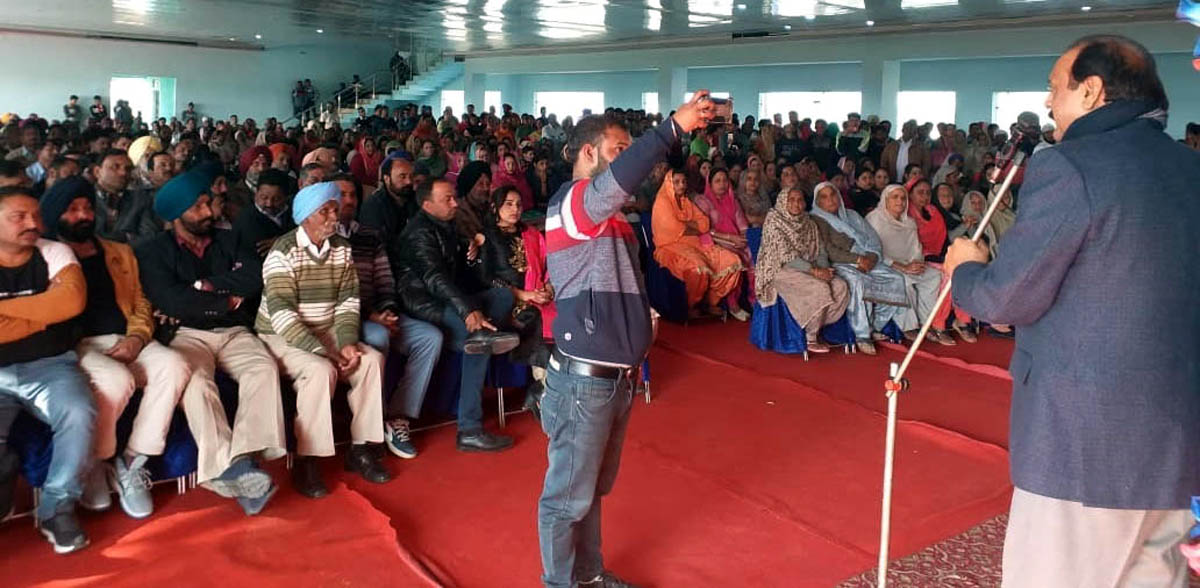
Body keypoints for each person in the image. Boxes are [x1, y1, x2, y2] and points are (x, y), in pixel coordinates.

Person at [944, 35, 1200, 588]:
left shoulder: (1069, 168)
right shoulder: (1190, 168)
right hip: (1176, 446)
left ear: (1091, 91)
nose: (1048, 104)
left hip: (1083, 449)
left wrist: (965, 268)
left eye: (1054, 89)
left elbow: (1004, 298)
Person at [538, 92, 713, 588]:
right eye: (618, 149)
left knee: (590, 489)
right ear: (588, 153)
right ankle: (558, 583)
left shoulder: (611, 220)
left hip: (616, 377)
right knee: (566, 496)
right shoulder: (572, 204)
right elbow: (619, 181)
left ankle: (589, 575)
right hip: (583, 381)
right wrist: (668, 131)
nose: (626, 161)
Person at [136, 170, 286, 516]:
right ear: (176, 216)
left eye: (208, 203)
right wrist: (224, 297)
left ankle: (243, 459)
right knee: (196, 382)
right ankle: (232, 469)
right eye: (199, 207)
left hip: (233, 330)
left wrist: (202, 287)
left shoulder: (229, 238)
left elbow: (252, 278)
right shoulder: (152, 252)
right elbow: (172, 301)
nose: (209, 212)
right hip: (187, 334)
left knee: (263, 368)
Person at [40, 176, 191, 519]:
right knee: (116, 380)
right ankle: (95, 461)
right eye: (73, 210)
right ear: (55, 215)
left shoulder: (118, 251)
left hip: (126, 336)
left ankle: (132, 460)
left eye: (87, 208)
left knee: (175, 365)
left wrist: (137, 337)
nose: (83, 216)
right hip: (77, 345)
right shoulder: (47, 256)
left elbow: (140, 301)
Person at [255, 182, 391, 498]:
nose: (334, 215)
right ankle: (308, 459)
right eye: (325, 211)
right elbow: (283, 315)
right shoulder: (282, 252)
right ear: (305, 218)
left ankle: (361, 448)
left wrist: (345, 342)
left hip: (327, 328)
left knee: (371, 360)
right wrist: (324, 353)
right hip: (281, 335)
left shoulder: (341, 247)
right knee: (320, 370)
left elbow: (348, 301)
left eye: (334, 208)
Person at [0, 185, 95, 553]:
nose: (32, 223)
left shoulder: (54, 251)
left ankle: (58, 505)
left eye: (36, 215)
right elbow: (54, 308)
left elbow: (70, 302)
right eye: (18, 217)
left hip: (51, 364)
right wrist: (44, 312)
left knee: (78, 410)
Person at [395, 179, 519, 452]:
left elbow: (459, 276)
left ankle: (488, 334)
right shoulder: (418, 234)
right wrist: (468, 311)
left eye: (454, 198)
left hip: (450, 298)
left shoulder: (447, 226)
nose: (455, 203)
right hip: (425, 304)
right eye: (448, 199)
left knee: (503, 296)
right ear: (427, 205)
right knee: (478, 338)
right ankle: (470, 429)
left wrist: (470, 257)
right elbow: (435, 278)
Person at [331, 174, 440, 459]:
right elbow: (336, 294)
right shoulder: (325, 239)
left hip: (379, 313)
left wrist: (388, 312)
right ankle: (372, 423)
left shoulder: (368, 234)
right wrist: (372, 315)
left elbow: (384, 280)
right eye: (342, 195)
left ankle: (398, 415)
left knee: (430, 337)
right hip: (345, 319)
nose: (349, 201)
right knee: (377, 336)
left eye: (353, 195)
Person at [809, 181, 915, 355]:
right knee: (858, 282)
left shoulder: (851, 215)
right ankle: (862, 335)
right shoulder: (816, 219)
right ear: (818, 201)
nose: (830, 200)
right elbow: (827, 249)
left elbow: (872, 238)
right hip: (840, 263)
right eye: (824, 197)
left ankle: (875, 324)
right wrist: (857, 259)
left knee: (897, 278)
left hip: (866, 258)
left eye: (833, 194)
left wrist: (871, 258)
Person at [755, 187, 850, 354]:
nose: (796, 204)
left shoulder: (808, 221)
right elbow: (787, 256)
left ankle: (817, 323)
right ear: (783, 201)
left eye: (800, 200)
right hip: (779, 269)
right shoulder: (774, 220)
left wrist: (822, 268)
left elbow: (820, 249)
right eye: (791, 200)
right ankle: (810, 337)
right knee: (819, 288)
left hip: (810, 266)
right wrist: (814, 271)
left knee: (840, 285)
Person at [866, 184, 961, 346]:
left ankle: (927, 322)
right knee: (904, 281)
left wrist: (916, 263)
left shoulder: (909, 222)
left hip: (909, 264)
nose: (900, 201)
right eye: (894, 197)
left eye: (903, 198)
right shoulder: (874, 219)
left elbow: (916, 248)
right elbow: (872, 251)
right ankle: (909, 327)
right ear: (885, 200)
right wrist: (902, 267)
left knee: (934, 276)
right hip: (884, 265)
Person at [651, 169, 743, 319]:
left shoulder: (686, 202)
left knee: (731, 261)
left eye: (684, 182)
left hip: (697, 245)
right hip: (670, 247)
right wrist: (692, 226)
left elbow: (705, 224)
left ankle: (709, 302)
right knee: (699, 268)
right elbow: (675, 228)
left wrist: (687, 226)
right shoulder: (662, 203)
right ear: (668, 184)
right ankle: (692, 305)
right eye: (676, 182)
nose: (681, 185)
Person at [693, 168, 751, 320]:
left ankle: (755, 301)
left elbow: (743, 226)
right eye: (717, 181)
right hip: (711, 242)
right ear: (709, 183)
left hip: (735, 241)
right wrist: (730, 239)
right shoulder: (702, 201)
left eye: (725, 180)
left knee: (754, 254)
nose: (722, 184)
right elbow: (703, 230)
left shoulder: (733, 200)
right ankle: (732, 304)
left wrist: (743, 239)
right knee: (733, 259)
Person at [359, 155, 419, 273]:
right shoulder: (373, 206)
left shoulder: (416, 200)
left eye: (411, 177)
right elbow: (378, 246)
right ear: (387, 178)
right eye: (402, 176)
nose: (408, 181)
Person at [89, 149, 161, 245]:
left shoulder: (140, 199)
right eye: (115, 167)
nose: (123, 173)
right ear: (97, 172)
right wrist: (125, 236)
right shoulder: (84, 198)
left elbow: (149, 237)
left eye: (128, 169)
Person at [232, 168, 293, 259]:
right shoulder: (246, 220)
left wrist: (282, 242)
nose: (269, 204)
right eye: (264, 198)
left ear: (285, 197)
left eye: (276, 199)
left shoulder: (294, 214)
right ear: (256, 194)